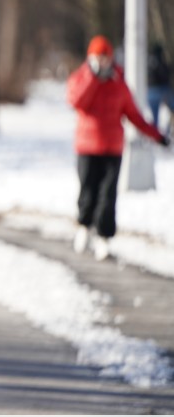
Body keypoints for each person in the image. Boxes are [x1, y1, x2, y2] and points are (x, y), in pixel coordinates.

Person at [66, 35, 169, 261]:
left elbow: (134, 115)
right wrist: (93, 77)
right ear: (91, 58)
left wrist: (157, 136)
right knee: (87, 190)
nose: (102, 62)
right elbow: (76, 101)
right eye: (98, 57)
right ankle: (84, 226)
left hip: (112, 148)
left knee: (108, 194)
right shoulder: (81, 77)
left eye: (105, 57)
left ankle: (104, 236)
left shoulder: (119, 83)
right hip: (87, 147)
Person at [146, 42, 173, 138]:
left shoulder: (148, 62)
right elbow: (165, 75)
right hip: (162, 90)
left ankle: (155, 134)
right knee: (172, 108)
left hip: (150, 92)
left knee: (155, 117)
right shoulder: (161, 62)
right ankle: (168, 131)